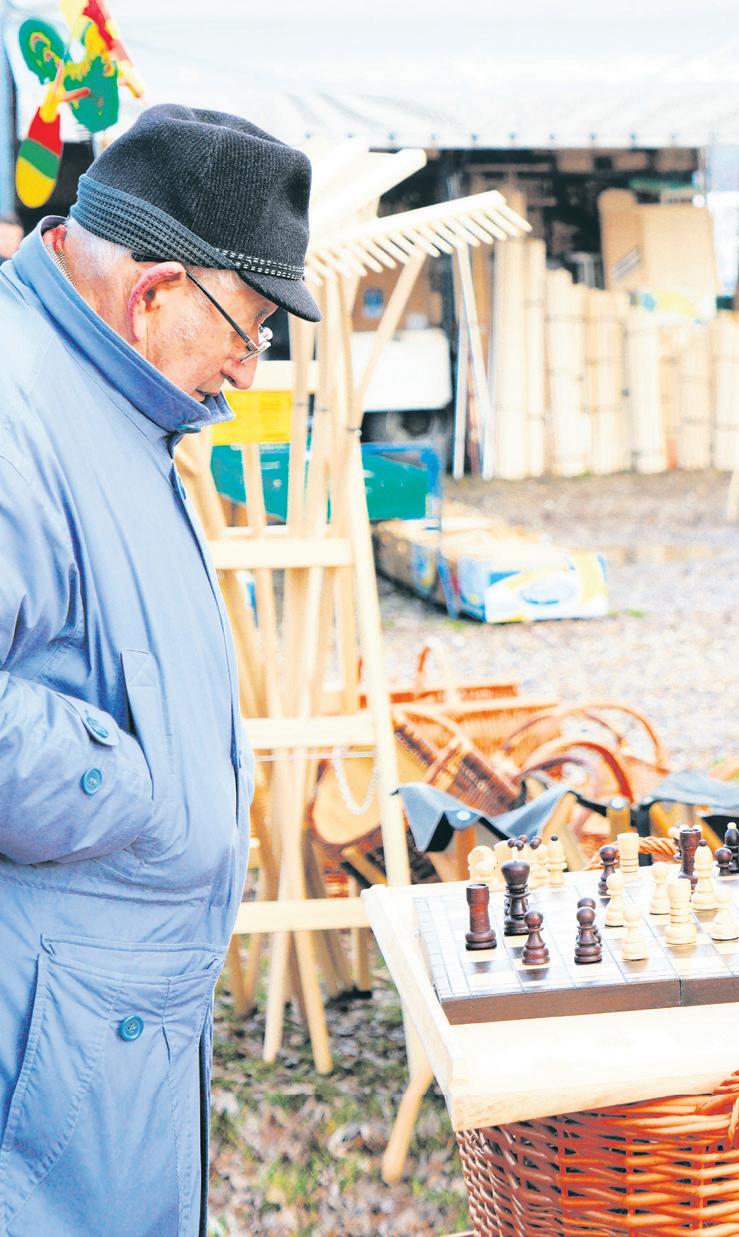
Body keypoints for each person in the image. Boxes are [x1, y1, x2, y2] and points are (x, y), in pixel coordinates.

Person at [0, 103, 319, 1233]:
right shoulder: (17, 406)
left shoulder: (105, 391)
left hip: (100, 1021)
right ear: (155, 291)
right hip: (45, 1029)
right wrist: (128, 786)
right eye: (250, 326)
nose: (248, 363)